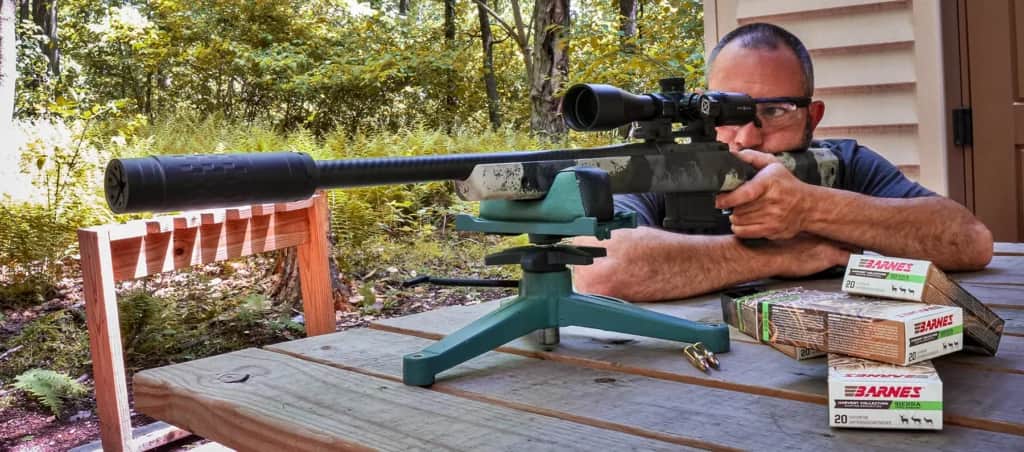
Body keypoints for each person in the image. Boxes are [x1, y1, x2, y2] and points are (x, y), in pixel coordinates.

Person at [571, 22, 993, 302]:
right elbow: (596, 269)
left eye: (774, 112)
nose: (747, 137)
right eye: (725, 114)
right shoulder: (670, 169)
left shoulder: (844, 165)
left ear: (813, 117)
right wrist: (774, 258)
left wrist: (811, 207)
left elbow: (971, 241)